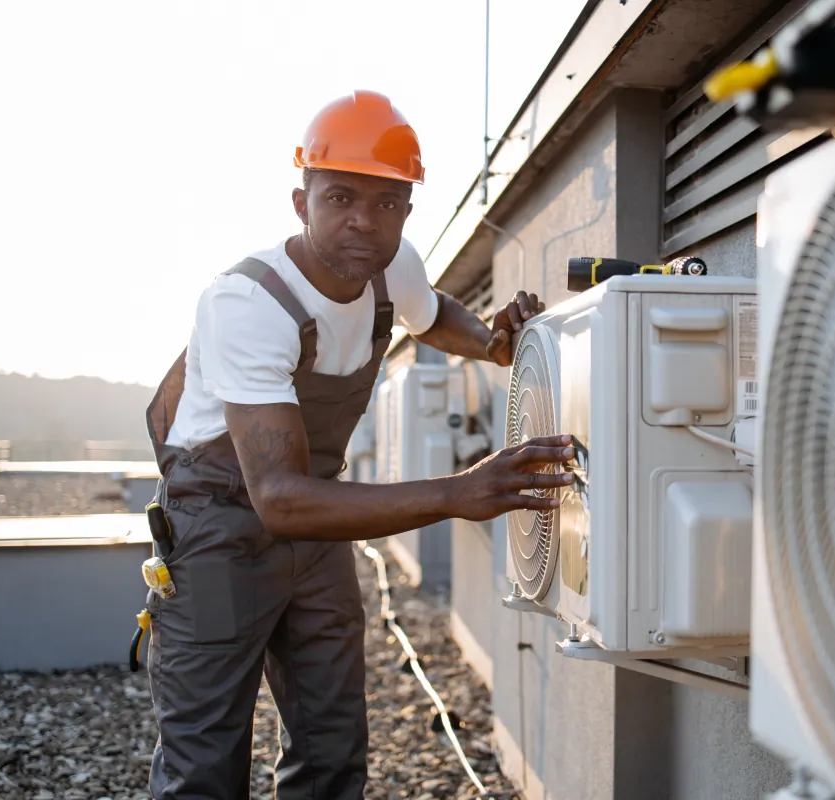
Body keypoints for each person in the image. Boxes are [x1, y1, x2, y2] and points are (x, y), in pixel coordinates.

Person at [141, 90, 575, 799]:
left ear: (405, 210)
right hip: (221, 523)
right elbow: (278, 500)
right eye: (339, 197)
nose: (362, 223)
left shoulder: (390, 263)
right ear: (299, 200)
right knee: (204, 768)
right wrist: (455, 493)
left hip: (320, 520)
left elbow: (431, 315)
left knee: (332, 744)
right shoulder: (249, 304)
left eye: (386, 204)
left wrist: (493, 346)